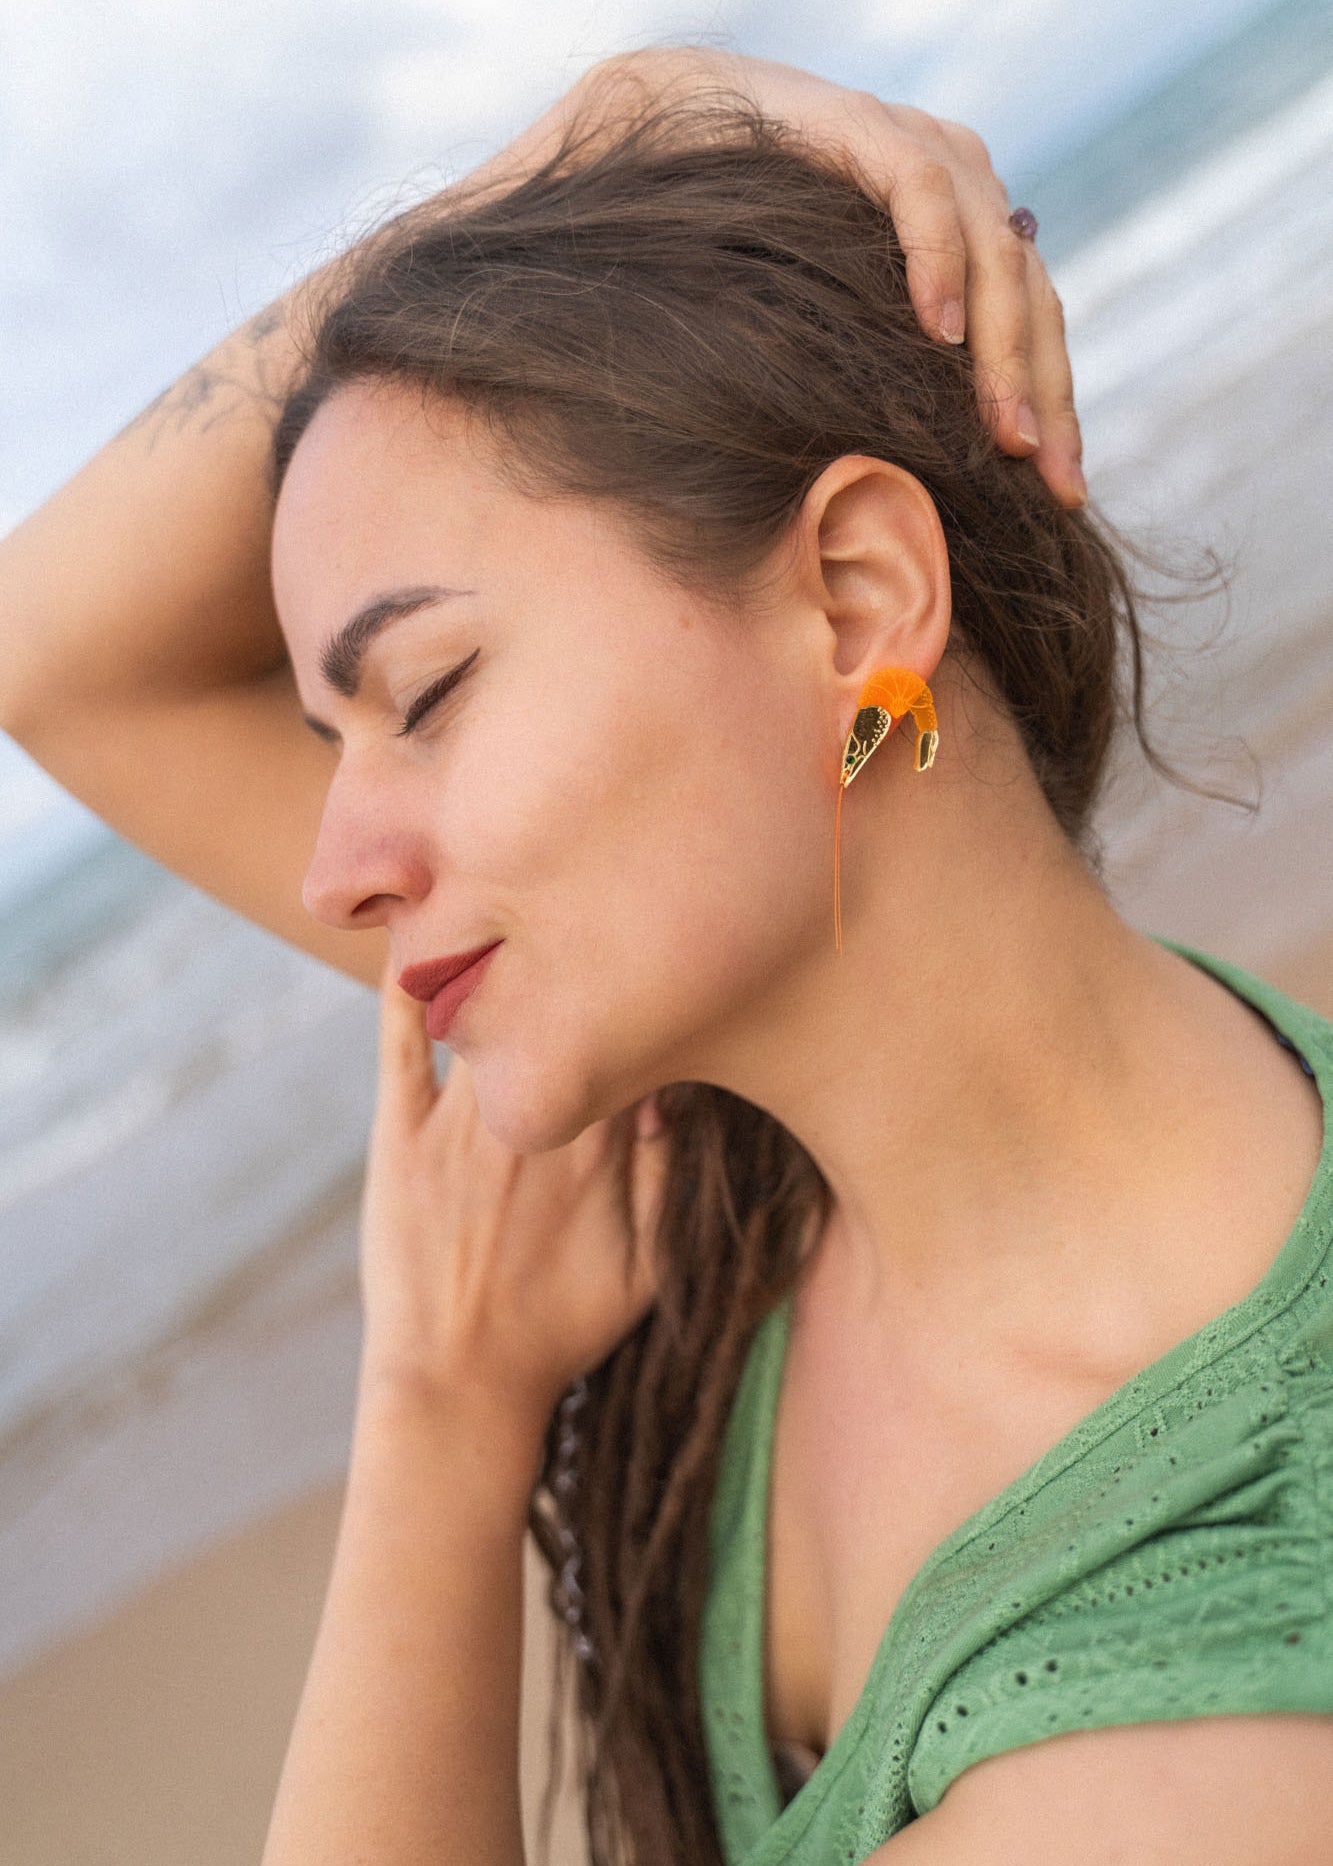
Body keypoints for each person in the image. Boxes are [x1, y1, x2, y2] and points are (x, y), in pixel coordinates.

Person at [2, 45, 1330, 1866]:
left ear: (859, 598)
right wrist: (599, 127)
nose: (333, 869)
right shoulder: (735, 1146)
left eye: (428, 694)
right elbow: (54, 653)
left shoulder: (1182, 1745)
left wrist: (437, 1416)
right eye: (330, 741)